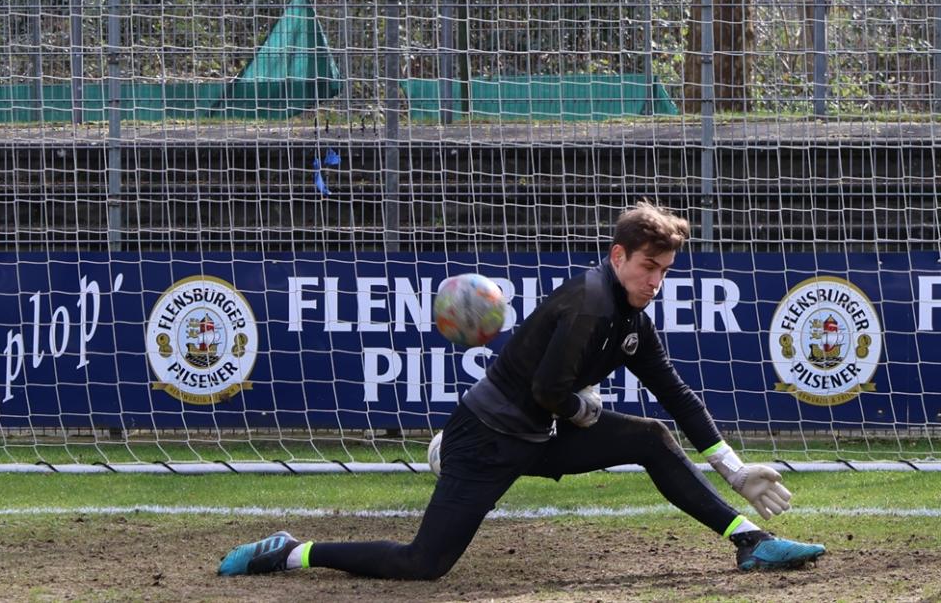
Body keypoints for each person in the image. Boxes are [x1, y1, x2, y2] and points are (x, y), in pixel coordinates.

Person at [219, 202, 826, 578]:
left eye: (665, 270)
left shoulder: (630, 320)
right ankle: (291, 551)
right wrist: (580, 406)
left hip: (536, 434)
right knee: (422, 566)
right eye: (649, 267)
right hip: (489, 439)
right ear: (618, 256)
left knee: (651, 436)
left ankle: (750, 541)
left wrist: (732, 467)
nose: (657, 281)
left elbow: (673, 390)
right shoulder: (590, 304)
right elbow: (546, 389)